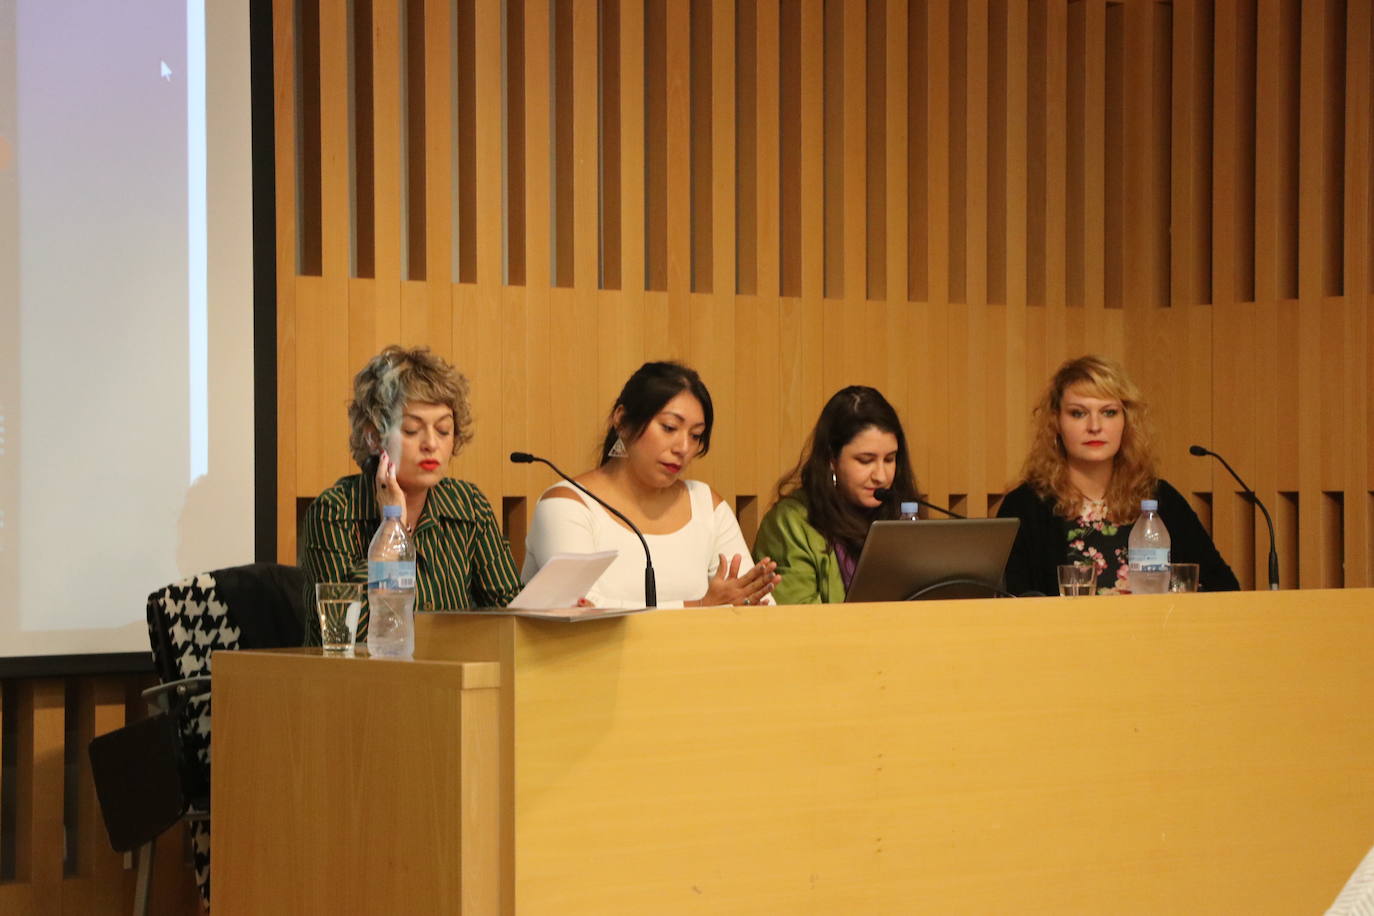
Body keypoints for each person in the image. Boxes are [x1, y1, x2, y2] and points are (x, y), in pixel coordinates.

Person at [300, 346, 522, 639]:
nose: (431, 443)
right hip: (361, 681)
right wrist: (393, 530)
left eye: (443, 430)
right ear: (373, 436)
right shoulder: (336, 511)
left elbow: (509, 614)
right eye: (411, 429)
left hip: (450, 677)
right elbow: (343, 635)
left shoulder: (468, 506)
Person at [522, 361, 779, 609]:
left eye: (696, 436)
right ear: (622, 421)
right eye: (669, 428)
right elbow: (581, 610)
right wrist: (701, 606)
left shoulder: (705, 504)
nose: (683, 448)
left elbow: (752, 602)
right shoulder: (566, 506)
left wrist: (736, 602)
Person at [996, 354, 1240, 596]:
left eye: (1109, 412)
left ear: (1126, 421)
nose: (1095, 426)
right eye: (1078, 413)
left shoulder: (1161, 499)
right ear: (1056, 422)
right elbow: (1009, 604)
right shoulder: (1025, 506)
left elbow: (1224, 588)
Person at [753, 386, 922, 604]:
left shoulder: (902, 513)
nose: (881, 476)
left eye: (889, 459)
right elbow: (797, 622)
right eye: (865, 460)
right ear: (832, 460)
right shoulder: (790, 523)